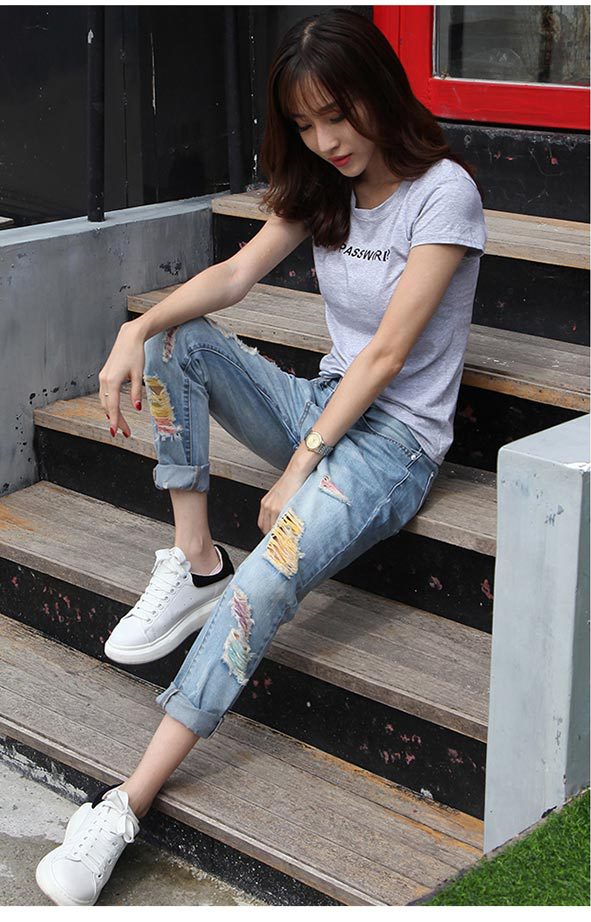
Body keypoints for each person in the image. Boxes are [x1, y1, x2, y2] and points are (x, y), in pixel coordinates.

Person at [35, 8, 487, 906]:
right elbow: (236, 276)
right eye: (306, 124)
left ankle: (123, 804)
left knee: (270, 577)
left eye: (338, 115)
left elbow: (387, 355)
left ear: (378, 92)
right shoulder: (323, 184)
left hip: (392, 447)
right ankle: (196, 560)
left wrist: (299, 469)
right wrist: (136, 329)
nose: (326, 141)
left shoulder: (445, 194)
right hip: (323, 406)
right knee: (180, 341)